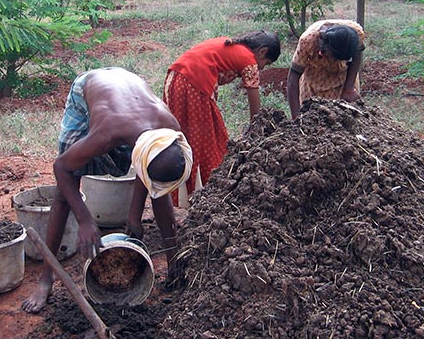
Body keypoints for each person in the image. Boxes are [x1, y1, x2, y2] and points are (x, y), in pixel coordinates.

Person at [21, 67, 192, 313]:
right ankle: (46, 280)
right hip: (89, 90)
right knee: (64, 193)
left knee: (160, 192)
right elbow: (61, 168)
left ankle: (174, 265)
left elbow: (151, 176)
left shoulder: (169, 132)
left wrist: (134, 216)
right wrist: (85, 221)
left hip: (127, 90)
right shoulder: (107, 133)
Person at [163, 30, 280, 204]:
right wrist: (258, 130)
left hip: (176, 80)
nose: (263, 67)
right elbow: (255, 106)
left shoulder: (233, 45)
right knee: (209, 141)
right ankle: (208, 195)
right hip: (194, 86)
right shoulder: (249, 60)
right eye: (266, 62)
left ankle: (178, 193)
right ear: (262, 51)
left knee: (182, 138)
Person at [287, 19, 365, 119]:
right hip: (314, 81)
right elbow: (292, 78)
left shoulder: (355, 33)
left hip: (344, 78)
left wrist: (349, 89)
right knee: (312, 118)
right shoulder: (307, 41)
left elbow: (357, 56)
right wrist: (296, 118)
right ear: (326, 48)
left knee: (346, 118)